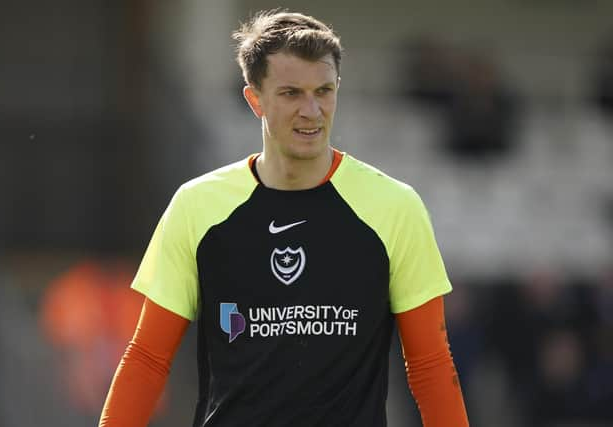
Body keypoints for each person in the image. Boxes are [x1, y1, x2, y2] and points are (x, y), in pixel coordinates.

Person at [99, 9, 469, 427]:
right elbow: (148, 358)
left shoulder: (395, 208)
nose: (312, 110)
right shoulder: (197, 207)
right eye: (291, 93)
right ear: (254, 98)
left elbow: (430, 366)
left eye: (324, 91)